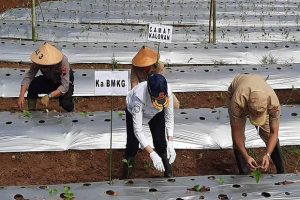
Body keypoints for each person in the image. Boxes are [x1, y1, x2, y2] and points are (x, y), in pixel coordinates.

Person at [228, 74, 285, 174]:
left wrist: (267, 154)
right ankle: (244, 172)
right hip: (238, 86)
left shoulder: (273, 103)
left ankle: (281, 171)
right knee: (238, 139)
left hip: (259, 85)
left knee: (268, 133)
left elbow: (274, 132)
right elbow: (236, 132)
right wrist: (246, 157)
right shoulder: (237, 101)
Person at [123, 73, 176, 178]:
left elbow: (169, 117)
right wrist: (152, 154)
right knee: (132, 144)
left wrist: (170, 141)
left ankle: (167, 167)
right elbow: (138, 130)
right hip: (136, 111)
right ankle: (127, 169)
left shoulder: (167, 91)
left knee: (160, 141)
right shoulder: (138, 99)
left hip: (156, 111)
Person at [18, 42, 74, 112]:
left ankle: (72, 113)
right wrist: (21, 95)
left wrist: (49, 96)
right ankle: (31, 110)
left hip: (63, 82)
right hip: (50, 79)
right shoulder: (39, 60)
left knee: (66, 103)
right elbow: (29, 76)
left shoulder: (63, 61)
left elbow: (65, 86)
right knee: (33, 84)